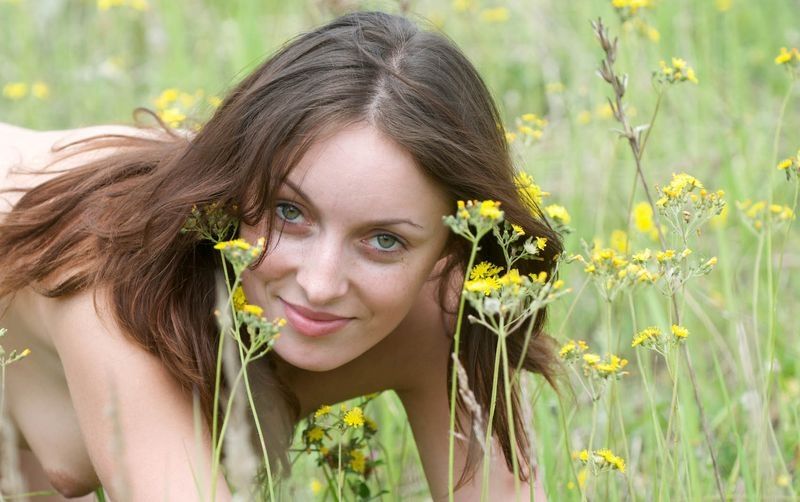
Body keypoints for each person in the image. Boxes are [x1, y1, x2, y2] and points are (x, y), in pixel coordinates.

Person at [0, 10, 561, 501]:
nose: (319, 285)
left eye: (384, 240)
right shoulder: (117, 272)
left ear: (452, 247)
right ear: (234, 186)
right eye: (290, 213)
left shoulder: (443, 313)